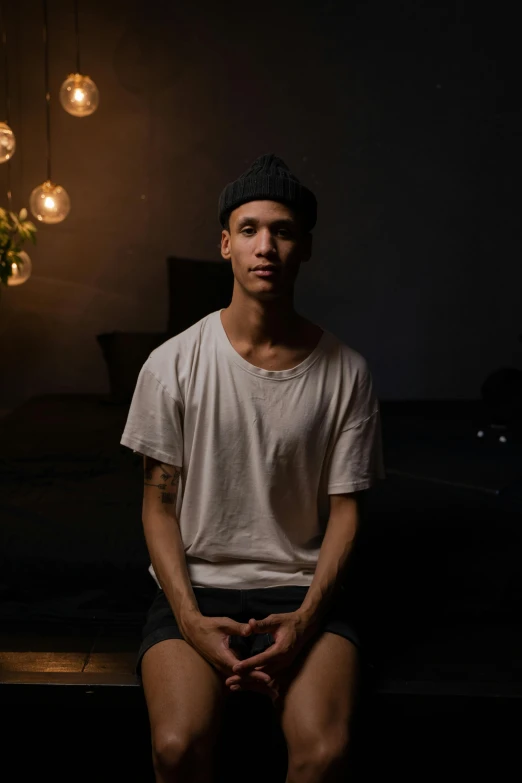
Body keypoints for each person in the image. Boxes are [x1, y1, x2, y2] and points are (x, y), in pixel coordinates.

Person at [120, 153, 386, 783]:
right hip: (198, 589)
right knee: (178, 747)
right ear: (225, 244)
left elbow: (348, 511)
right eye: (249, 229)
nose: (265, 245)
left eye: (283, 230)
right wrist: (187, 617)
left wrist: (305, 621)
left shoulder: (348, 372)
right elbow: (158, 503)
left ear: (305, 248)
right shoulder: (172, 363)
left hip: (302, 594)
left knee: (322, 754)